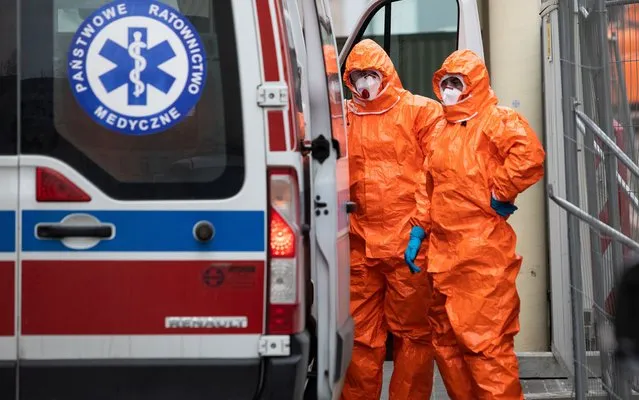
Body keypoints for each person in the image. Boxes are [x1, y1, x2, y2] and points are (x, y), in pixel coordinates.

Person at [406, 49, 546, 399]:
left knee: (485, 348)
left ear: (475, 85)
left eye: (458, 83)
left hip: (482, 256)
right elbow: (428, 183)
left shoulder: (496, 120)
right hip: (443, 255)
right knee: (447, 343)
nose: (451, 90)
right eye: (447, 82)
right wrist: (419, 228)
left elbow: (528, 156)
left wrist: (501, 190)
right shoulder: (441, 128)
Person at [340, 39, 443, 400]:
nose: (366, 83)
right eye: (357, 75)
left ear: (387, 73)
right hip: (359, 246)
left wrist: (421, 226)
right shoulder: (344, 117)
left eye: (372, 74)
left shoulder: (420, 113)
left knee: (414, 335)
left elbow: (437, 174)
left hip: (408, 246)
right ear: (348, 79)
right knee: (360, 337)